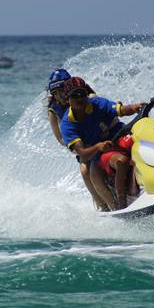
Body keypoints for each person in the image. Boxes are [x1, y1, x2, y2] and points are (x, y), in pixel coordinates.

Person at [59, 77, 144, 210]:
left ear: (87, 94)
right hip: (103, 154)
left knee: (142, 140)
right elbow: (82, 153)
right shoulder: (67, 124)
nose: (79, 99)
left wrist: (134, 107)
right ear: (67, 99)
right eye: (75, 96)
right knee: (121, 160)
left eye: (82, 94)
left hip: (121, 139)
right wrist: (99, 147)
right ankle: (123, 205)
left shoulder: (98, 103)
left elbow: (121, 110)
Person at [45, 69, 108, 211]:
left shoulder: (84, 95)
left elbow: (101, 111)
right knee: (85, 170)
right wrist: (75, 145)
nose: (59, 96)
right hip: (81, 143)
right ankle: (102, 205)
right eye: (55, 94)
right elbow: (60, 138)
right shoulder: (53, 109)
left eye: (61, 92)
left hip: (101, 133)